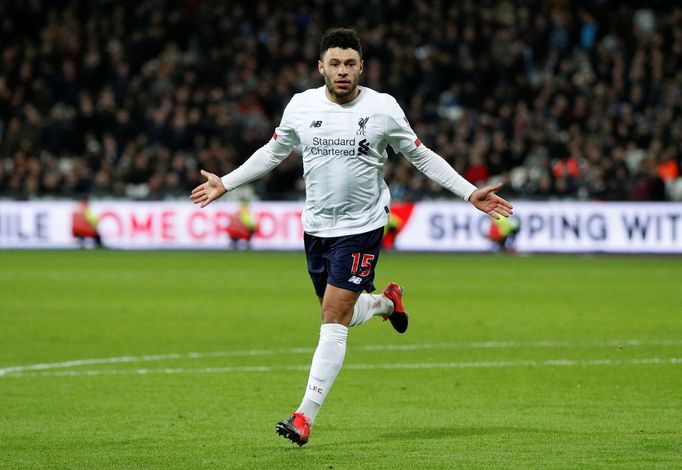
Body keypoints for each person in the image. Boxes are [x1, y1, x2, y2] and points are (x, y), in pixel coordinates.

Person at [190, 28, 513, 446]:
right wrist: (227, 183)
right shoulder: (301, 106)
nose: (342, 71)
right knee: (340, 312)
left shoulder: (382, 108)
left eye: (350, 64)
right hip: (316, 228)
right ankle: (385, 302)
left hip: (362, 227)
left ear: (361, 67)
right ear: (320, 67)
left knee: (331, 318)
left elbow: (420, 154)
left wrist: (470, 190)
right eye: (335, 63)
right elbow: (273, 150)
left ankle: (304, 416)